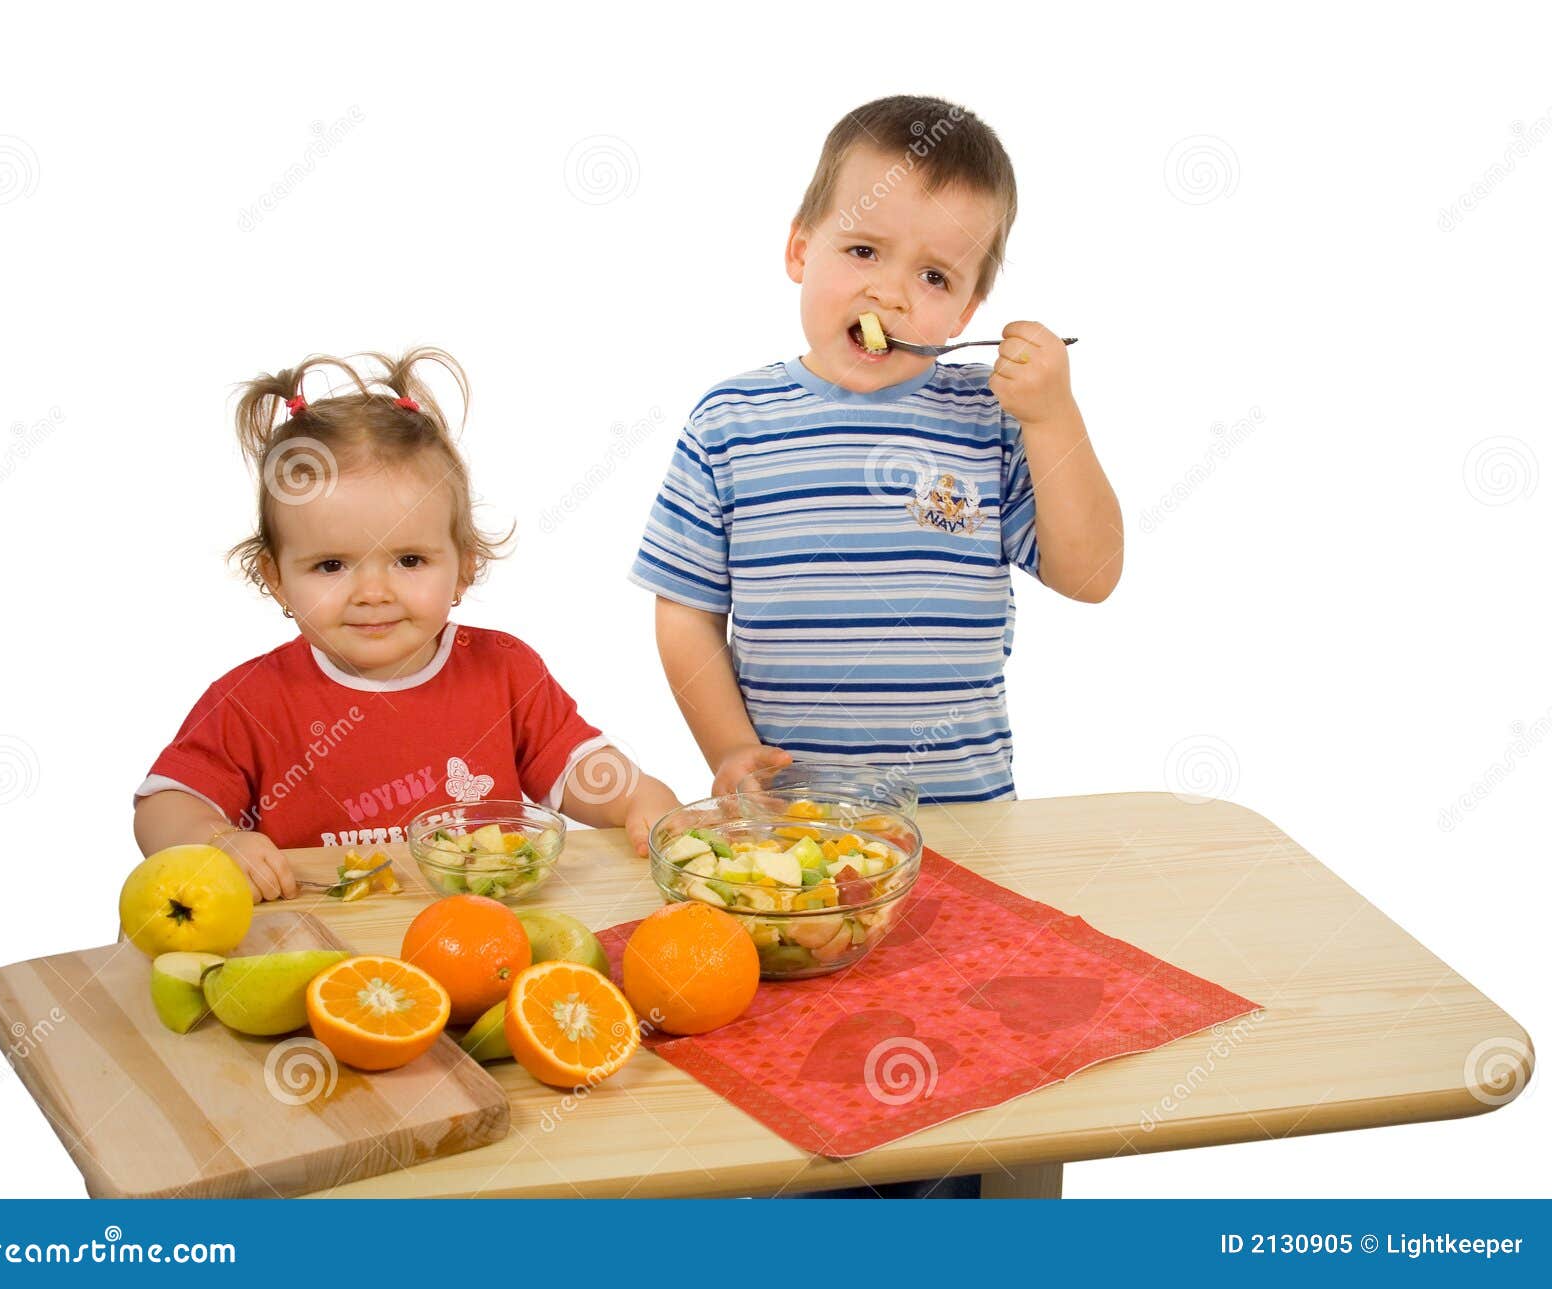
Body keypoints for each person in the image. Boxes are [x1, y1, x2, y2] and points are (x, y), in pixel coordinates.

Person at [632, 95, 1123, 1196]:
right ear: (800, 249)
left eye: (936, 277)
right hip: (791, 843)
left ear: (972, 305)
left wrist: (1054, 418)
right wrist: (728, 750)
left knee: (998, 1077)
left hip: (970, 823)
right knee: (806, 1075)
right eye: (862, 249)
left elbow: (1090, 572)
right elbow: (681, 605)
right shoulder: (731, 422)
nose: (892, 291)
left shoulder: (986, 421)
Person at [135, 346, 679, 901]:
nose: (373, 593)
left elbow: (575, 766)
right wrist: (215, 839)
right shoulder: (251, 701)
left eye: (409, 561)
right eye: (331, 565)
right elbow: (163, 806)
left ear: (465, 565)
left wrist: (635, 796)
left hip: (482, 943)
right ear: (276, 579)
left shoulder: (504, 671)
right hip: (326, 955)